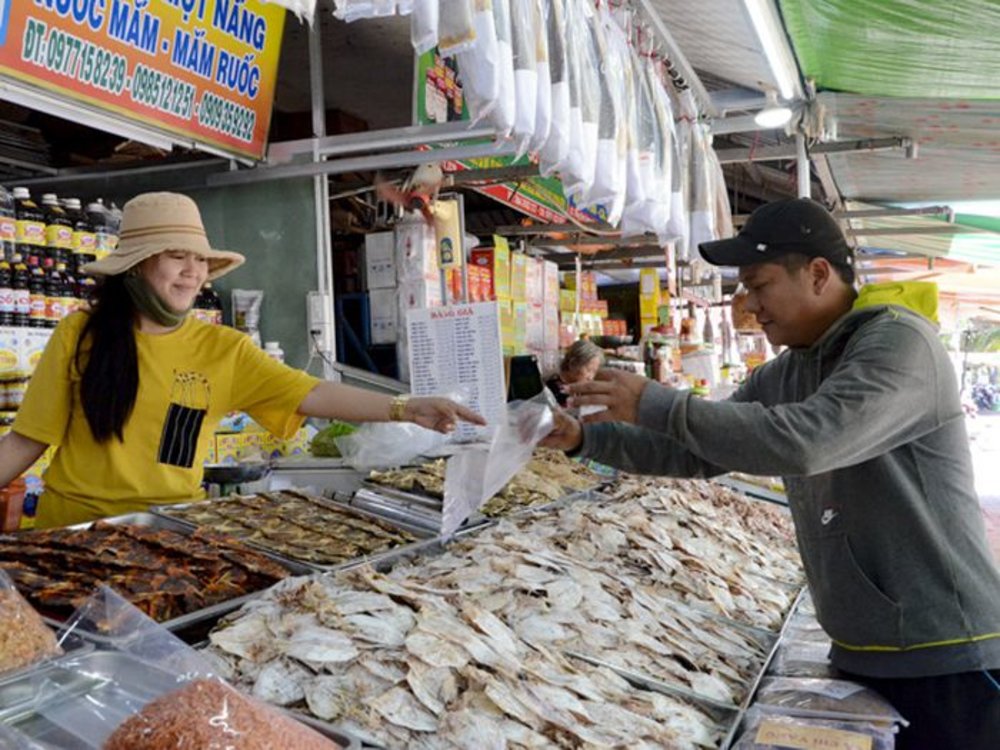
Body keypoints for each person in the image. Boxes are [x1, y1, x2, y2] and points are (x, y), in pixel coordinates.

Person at [542, 198, 1000, 749]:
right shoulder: (788, 369)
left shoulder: (898, 345)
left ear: (817, 274)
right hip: (862, 648)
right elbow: (697, 452)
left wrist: (659, 403)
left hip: (947, 652)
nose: (750, 306)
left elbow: (809, 440)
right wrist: (586, 438)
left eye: (759, 285)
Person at [0, 192, 483, 528]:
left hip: (168, 528)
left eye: (200, 260)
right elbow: (27, 439)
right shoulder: (80, 333)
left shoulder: (222, 349)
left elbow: (310, 392)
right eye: (175, 256)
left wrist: (405, 407)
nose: (193, 272)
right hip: (72, 529)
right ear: (137, 265)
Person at [545, 338, 604, 406]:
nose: (590, 377)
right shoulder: (552, 389)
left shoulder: (578, 390)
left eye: (594, 372)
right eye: (589, 370)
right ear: (573, 364)